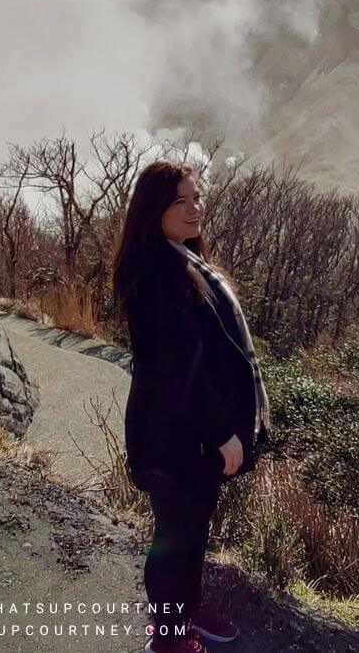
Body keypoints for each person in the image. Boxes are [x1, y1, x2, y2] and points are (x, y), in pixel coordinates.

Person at [112, 160, 271, 653]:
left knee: (193, 526)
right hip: (174, 437)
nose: (194, 208)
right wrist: (223, 431)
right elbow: (176, 370)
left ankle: (188, 606)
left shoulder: (181, 259)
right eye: (180, 201)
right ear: (153, 209)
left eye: (196, 197)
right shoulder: (158, 275)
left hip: (191, 436)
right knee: (174, 538)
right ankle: (167, 637)